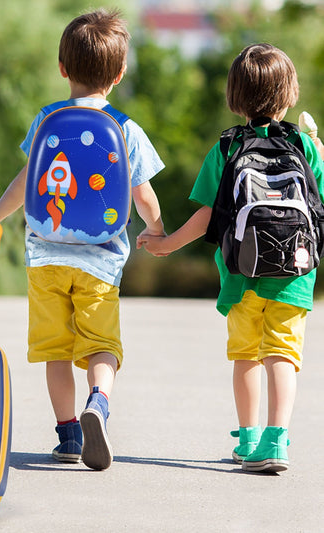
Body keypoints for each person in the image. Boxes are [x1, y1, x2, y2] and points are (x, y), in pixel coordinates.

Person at [0, 9, 165, 470]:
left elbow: (25, 181)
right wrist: (155, 229)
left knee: (55, 350)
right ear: (119, 74)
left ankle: (69, 434)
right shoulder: (125, 128)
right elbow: (145, 196)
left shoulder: (47, 119)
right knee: (101, 346)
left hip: (45, 256)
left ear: (62, 67)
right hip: (101, 262)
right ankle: (99, 403)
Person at [139, 43, 324, 473]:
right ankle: (277, 441)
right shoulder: (305, 146)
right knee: (283, 355)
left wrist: (165, 245)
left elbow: (207, 217)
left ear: (234, 96)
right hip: (294, 276)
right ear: (290, 94)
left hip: (242, 276)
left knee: (247, 356)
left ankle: (249, 438)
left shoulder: (226, 149)